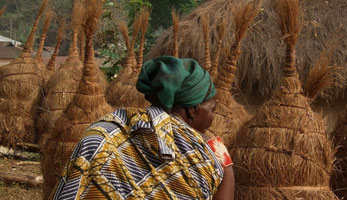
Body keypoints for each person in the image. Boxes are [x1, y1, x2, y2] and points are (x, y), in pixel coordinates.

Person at [51, 56, 234, 200]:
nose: (213, 116)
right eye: (212, 109)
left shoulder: (104, 133)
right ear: (193, 110)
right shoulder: (209, 155)